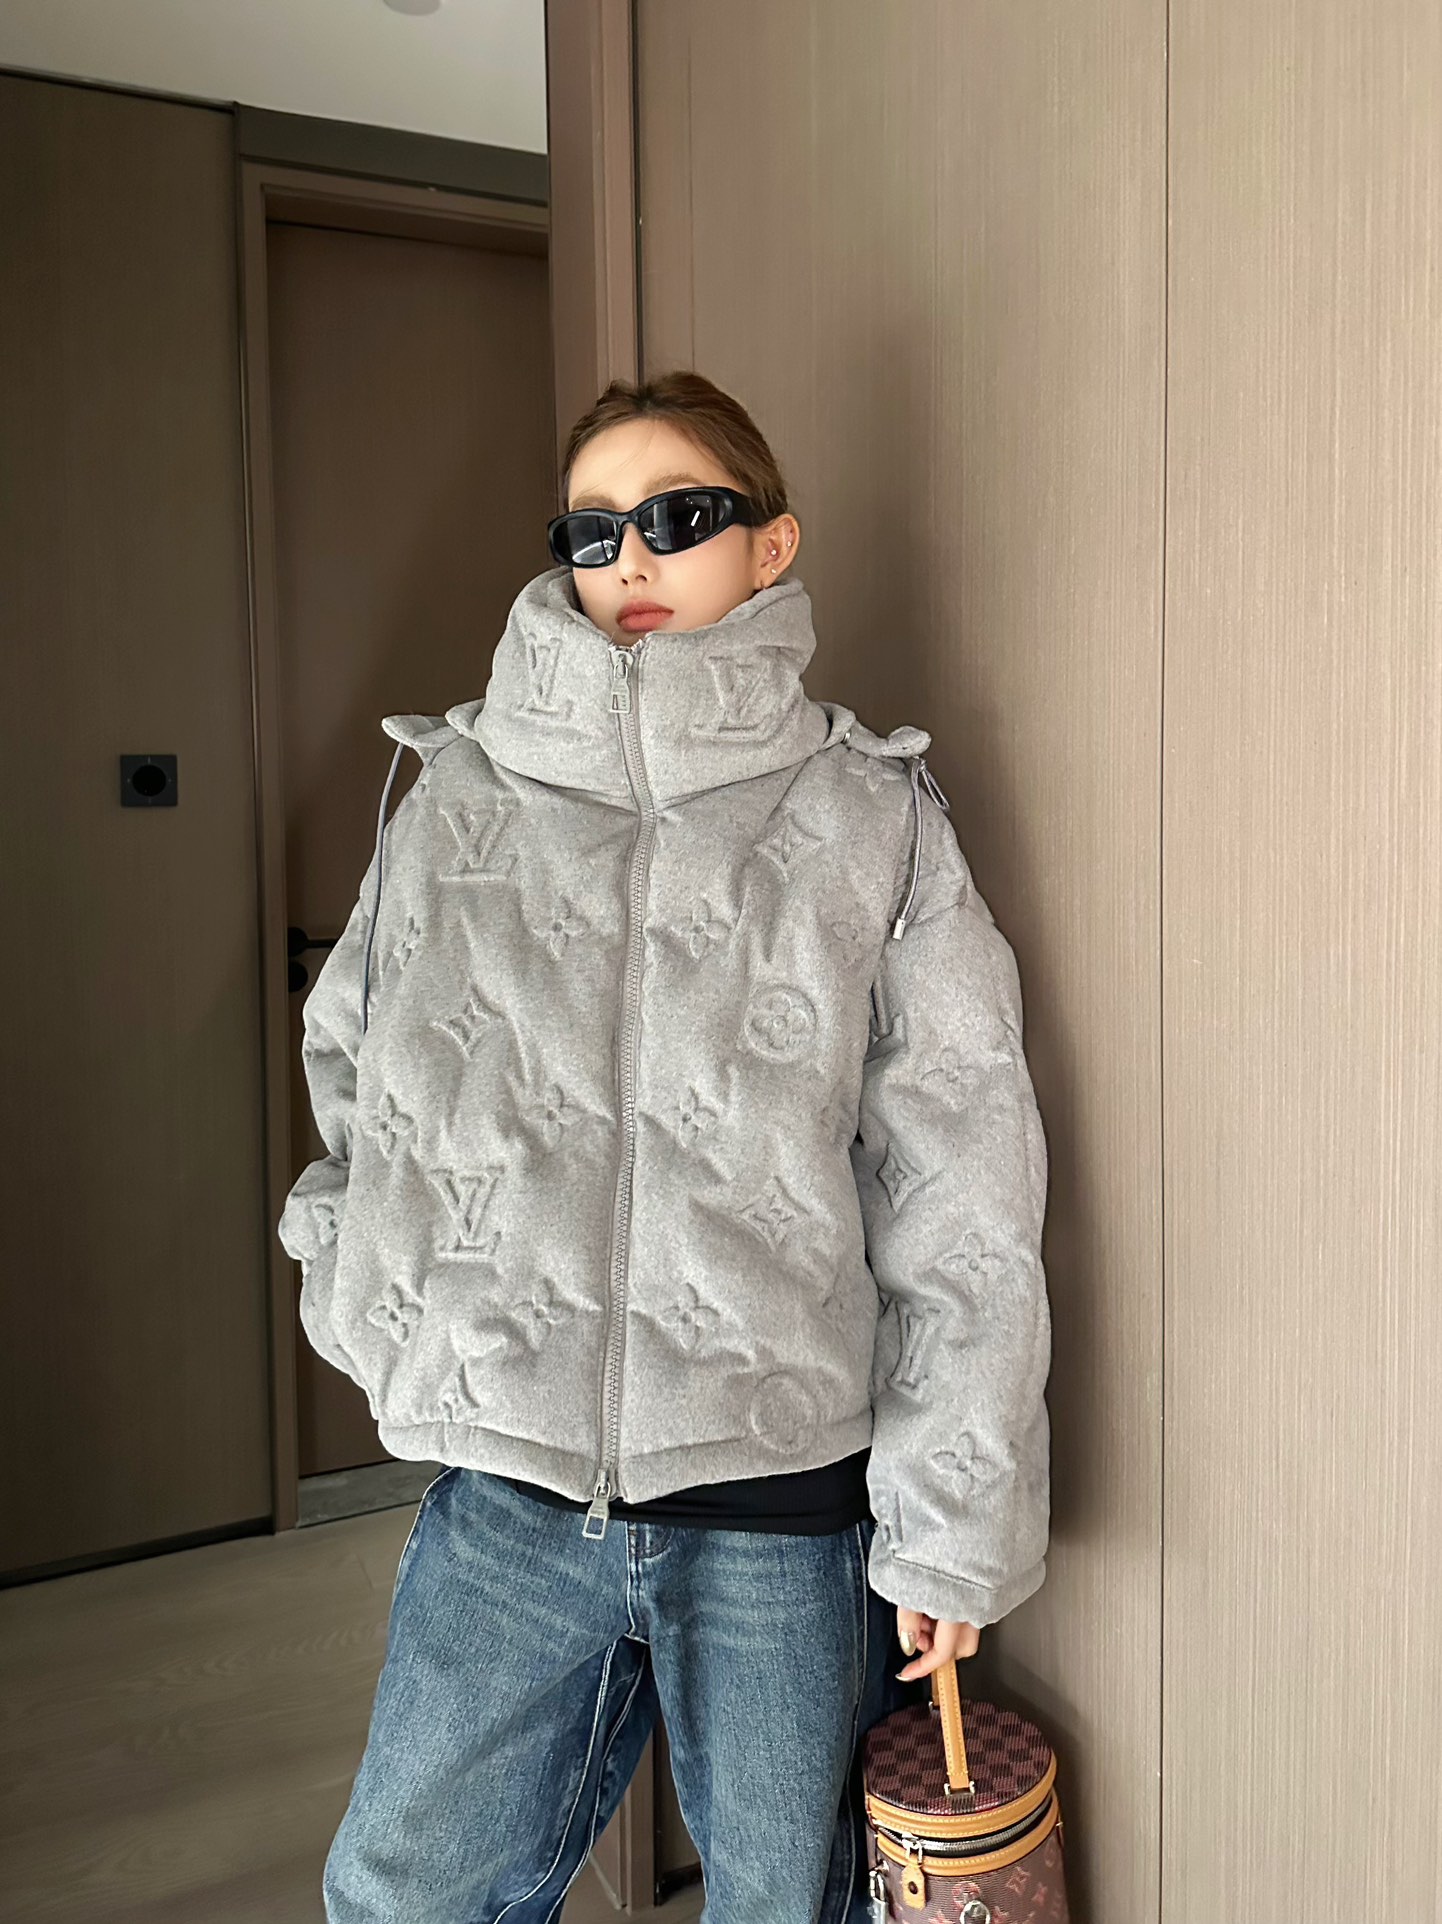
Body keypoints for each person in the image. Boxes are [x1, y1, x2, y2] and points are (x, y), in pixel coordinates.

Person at [278, 368, 1053, 1924]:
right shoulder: (456, 794)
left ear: (772, 542)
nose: (627, 556)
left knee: (784, 1906)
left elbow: (960, 1179)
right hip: (504, 1490)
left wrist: (948, 1527)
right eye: (590, 527)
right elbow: (355, 1062)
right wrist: (366, 1293)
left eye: (677, 515)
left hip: (780, 1507)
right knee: (402, 1897)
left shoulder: (870, 813)